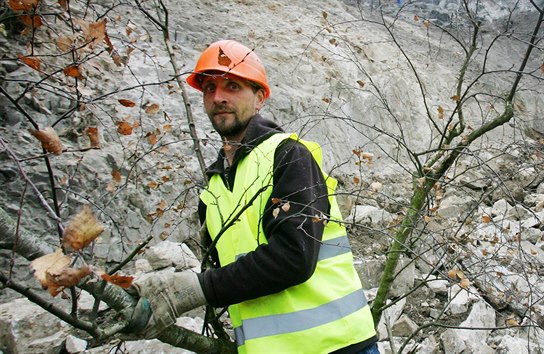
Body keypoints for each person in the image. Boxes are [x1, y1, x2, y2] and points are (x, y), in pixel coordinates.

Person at [127, 39, 379, 354]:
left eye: (232, 86)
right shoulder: (215, 188)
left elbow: (293, 258)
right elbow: (233, 275)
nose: (218, 97)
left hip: (338, 345)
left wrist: (195, 289)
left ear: (259, 99)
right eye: (209, 88)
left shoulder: (289, 156)